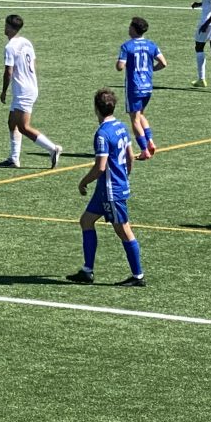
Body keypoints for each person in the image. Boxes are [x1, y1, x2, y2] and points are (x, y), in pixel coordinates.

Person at [67, 88, 145, 287]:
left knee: (123, 230)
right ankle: (87, 271)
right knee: (86, 221)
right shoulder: (121, 126)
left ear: (96, 108)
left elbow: (100, 167)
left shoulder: (102, 134)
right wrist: (125, 176)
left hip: (111, 190)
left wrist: (83, 181)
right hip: (106, 189)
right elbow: (130, 156)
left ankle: (138, 276)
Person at [0, 14, 61, 168]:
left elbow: (8, 72)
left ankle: (52, 149)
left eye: (6, 25)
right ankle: (14, 159)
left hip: (23, 91)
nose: (4, 27)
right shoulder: (26, 42)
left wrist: (4, 91)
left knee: (23, 127)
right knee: (12, 122)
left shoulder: (10, 47)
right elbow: (33, 64)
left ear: (9, 27)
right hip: (29, 87)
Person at [116, 17, 167, 160]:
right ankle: (150, 141)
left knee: (135, 119)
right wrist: (150, 69)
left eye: (130, 26)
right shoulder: (151, 45)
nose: (128, 28)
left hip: (134, 87)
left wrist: (121, 63)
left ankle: (144, 150)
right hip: (148, 86)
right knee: (141, 114)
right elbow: (163, 63)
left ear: (133, 29)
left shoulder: (127, 46)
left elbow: (120, 67)